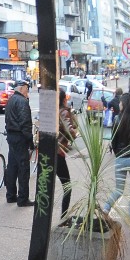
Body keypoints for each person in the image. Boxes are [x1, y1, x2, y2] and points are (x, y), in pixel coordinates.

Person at [103, 93, 130, 226]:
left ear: (124, 104)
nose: (119, 104)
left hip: (121, 159)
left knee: (118, 190)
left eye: (121, 103)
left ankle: (105, 209)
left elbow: (114, 142)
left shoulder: (117, 119)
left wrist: (118, 154)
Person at [5, 78, 34, 207]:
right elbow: (25, 124)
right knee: (23, 169)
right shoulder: (22, 101)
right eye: (27, 90)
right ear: (22, 89)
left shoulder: (11, 100)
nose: (27, 93)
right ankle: (22, 198)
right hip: (20, 138)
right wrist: (30, 140)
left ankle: (11, 195)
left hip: (11, 137)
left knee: (12, 167)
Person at [55, 88, 79, 220]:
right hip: (58, 153)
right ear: (64, 98)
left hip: (49, 151)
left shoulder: (53, 110)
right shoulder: (63, 111)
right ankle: (63, 217)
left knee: (47, 186)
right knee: (67, 186)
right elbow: (71, 130)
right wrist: (73, 134)